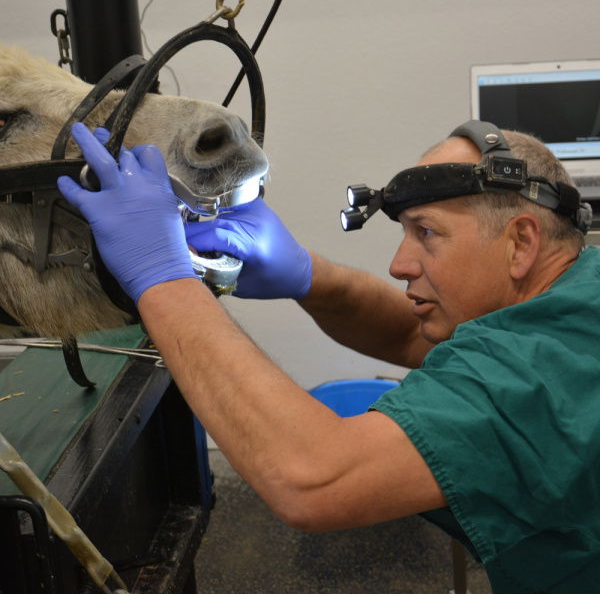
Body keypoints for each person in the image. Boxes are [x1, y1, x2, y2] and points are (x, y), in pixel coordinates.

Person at [57, 120, 600, 593]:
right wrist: (310, 276)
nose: (399, 264)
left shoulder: (537, 369)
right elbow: (417, 340)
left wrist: (162, 276)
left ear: (521, 242)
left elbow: (312, 476)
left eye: (427, 233)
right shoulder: (572, 300)